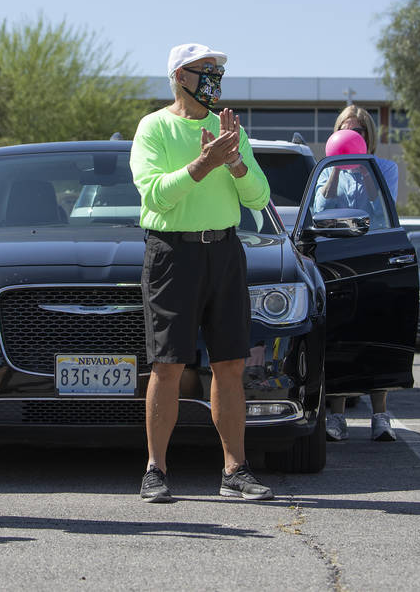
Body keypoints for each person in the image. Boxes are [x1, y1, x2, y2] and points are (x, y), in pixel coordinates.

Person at [130, 42, 273, 503]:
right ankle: (156, 470)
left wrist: (232, 161)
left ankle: (235, 469)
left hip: (225, 251)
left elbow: (258, 197)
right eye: (205, 69)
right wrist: (201, 165)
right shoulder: (153, 127)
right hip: (173, 252)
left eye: (218, 70)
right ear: (179, 76)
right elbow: (156, 196)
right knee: (168, 363)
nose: (214, 77)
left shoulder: (228, 127)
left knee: (230, 363)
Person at [318, 105, 400, 443]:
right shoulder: (326, 169)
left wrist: (364, 167)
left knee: (376, 336)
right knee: (340, 338)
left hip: (374, 258)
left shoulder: (385, 168)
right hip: (338, 260)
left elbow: (385, 207)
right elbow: (321, 209)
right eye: (346, 130)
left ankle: (380, 416)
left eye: (360, 131)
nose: (353, 136)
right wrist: (337, 170)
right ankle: (337, 416)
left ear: (369, 136)